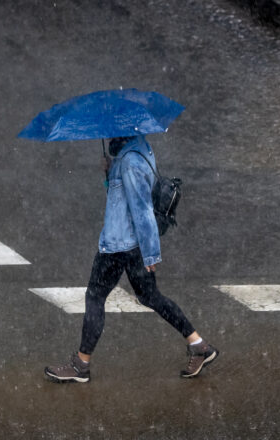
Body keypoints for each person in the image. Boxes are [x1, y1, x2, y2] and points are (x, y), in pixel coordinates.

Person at [44, 135, 218, 383]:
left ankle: (81, 365)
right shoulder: (138, 150)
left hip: (120, 245)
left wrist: (150, 252)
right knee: (149, 296)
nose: (109, 136)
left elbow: (142, 208)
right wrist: (108, 173)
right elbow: (121, 200)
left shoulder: (129, 162)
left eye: (114, 132)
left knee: (95, 298)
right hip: (129, 243)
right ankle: (199, 345)